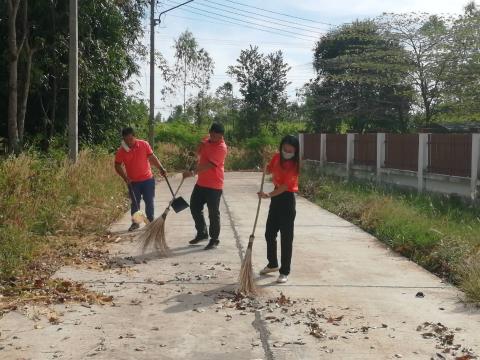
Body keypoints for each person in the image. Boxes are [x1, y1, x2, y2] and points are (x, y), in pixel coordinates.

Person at [257, 135, 300, 284]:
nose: (287, 151)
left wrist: (268, 194)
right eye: (285, 148)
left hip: (287, 199)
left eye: (290, 149)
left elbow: (285, 187)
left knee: (286, 238)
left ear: (295, 150)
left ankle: (284, 271)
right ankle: (273, 263)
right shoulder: (277, 157)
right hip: (276, 198)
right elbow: (270, 169)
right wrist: (265, 168)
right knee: (269, 233)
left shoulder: (294, 165)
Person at [183, 123, 228, 250]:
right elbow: (198, 154)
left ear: (221, 136)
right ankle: (202, 233)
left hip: (214, 185)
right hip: (201, 183)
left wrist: (192, 172)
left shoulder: (222, 148)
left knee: (213, 213)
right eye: (211, 134)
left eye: (216, 135)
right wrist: (200, 147)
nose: (213, 137)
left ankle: (214, 239)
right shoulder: (206, 140)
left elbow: (209, 165)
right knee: (194, 207)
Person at [114, 127, 167, 231]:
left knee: (149, 201)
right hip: (133, 182)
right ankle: (136, 223)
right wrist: (125, 177)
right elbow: (117, 165)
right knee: (135, 203)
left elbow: (152, 157)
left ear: (135, 137)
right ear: (123, 139)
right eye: (126, 140)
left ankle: (150, 222)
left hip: (147, 179)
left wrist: (161, 168)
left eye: (130, 139)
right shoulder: (121, 151)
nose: (128, 142)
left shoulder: (144, 144)